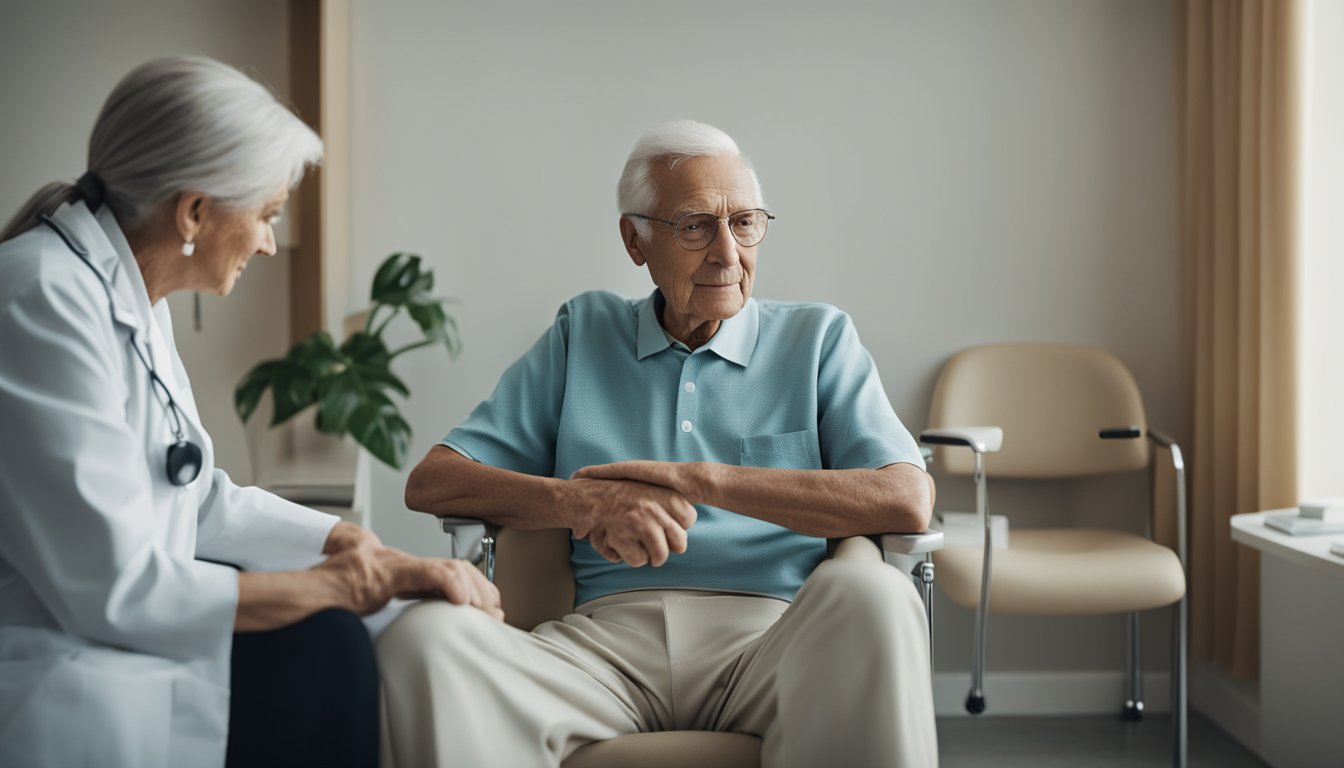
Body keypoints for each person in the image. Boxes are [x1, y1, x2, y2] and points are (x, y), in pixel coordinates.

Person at [385, 119, 939, 766]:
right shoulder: (582, 333)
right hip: (602, 647)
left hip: (775, 641)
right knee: (422, 639)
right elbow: (434, 481)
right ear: (635, 239)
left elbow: (906, 499)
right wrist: (583, 506)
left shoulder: (818, 341)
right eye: (696, 226)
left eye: (745, 224)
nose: (728, 254)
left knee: (877, 594)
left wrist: (701, 481)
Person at [0, 56, 501, 768]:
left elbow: (199, 499)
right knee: (326, 645)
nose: (269, 240)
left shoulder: (130, 299)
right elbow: (111, 586)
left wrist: (361, 551)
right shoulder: (42, 298)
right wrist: (335, 585)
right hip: (68, 666)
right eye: (266, 214)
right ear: (195, 211)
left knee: (338, 641)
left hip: (131, 637)